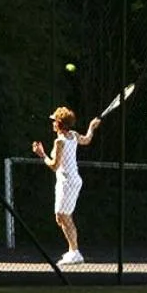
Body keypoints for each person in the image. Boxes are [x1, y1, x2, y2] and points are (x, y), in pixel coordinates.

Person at [33, 107, 101, 265]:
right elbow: (87, 139)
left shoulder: (60, 141)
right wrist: (91, 127)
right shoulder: (74, 135)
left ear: (58, 124)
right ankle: (73, 250)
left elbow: (54, 165)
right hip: (70, 181)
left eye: (54, 121)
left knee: (64, 216)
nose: (52, 124)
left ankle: (75, 252)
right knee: (60, 217)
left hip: (68, 182)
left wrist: (41, 154)